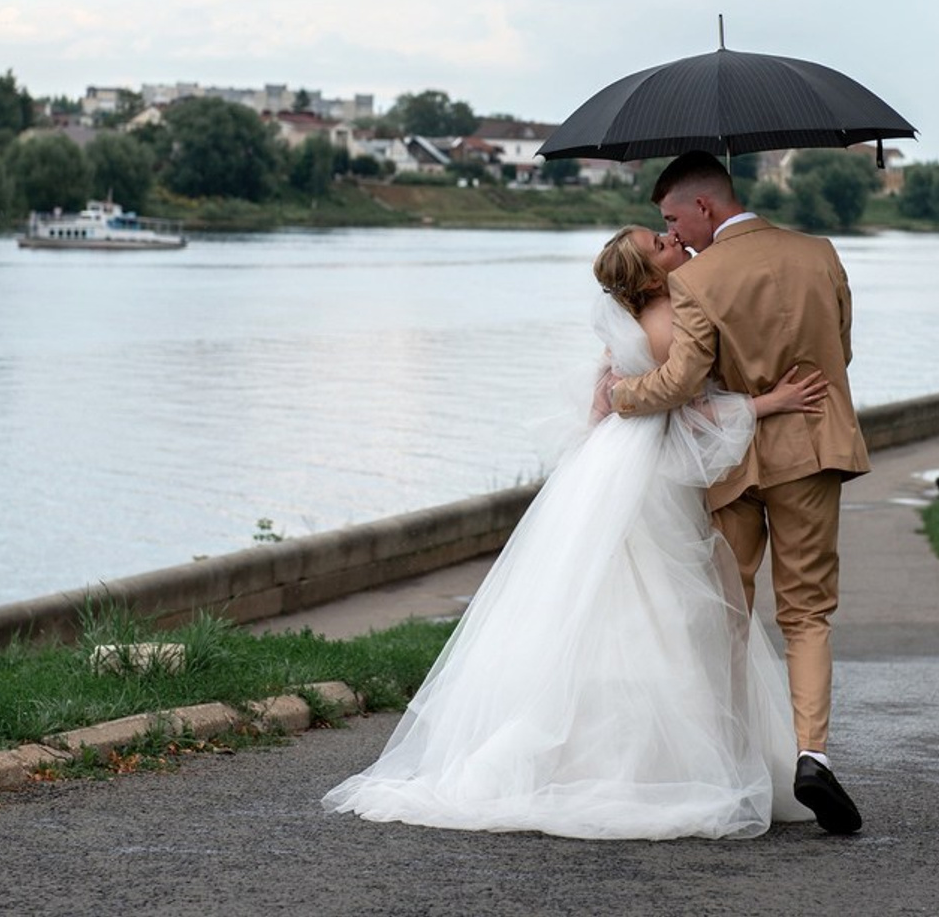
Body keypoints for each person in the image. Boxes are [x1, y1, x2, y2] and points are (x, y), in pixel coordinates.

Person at [322, 225, 827, 840]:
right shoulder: (674, 315)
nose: (674, 240)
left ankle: (591, 754)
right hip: (651, 472)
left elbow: (601, 402)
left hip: (611, 461)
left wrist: (596, 455)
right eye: (661, 243)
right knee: (665, 608)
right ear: (648, 276)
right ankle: (655, 767)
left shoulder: (626, 322)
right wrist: (767, 404)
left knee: (600, 604)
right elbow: (688, 408)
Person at [610, 151, 871, 835]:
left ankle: (727, 761)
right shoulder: (820, 253)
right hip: (813, 448)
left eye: (673, 218)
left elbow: (680, 384)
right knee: (808, 612)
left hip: (732, 465)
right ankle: (812, 753)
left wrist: (619, 395)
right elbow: (841, 351)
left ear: (704, 205)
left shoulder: (697, 279)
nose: (675, 233)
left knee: (731, 611)